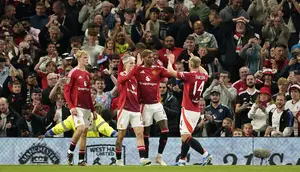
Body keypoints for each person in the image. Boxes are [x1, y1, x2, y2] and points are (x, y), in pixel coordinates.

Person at [166, 51, 212, 166]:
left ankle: (205, 154)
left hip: (188, 109)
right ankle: (182, 160)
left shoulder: (189, 75)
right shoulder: (203, 76)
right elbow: (204, 71)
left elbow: (170, 72)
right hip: (196, 110)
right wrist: (194, 60)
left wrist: (170, 61)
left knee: (185, 136)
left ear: (190, 65)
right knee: (186, 136)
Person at [115, 54, 151, 166]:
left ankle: (142, 159)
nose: (133, 65)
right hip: (124, 109)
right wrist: (138, 66)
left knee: (140, 134)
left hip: (135, 109)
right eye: (131, 63)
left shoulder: (135, 79)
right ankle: (118, 159)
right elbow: (126, 78)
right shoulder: (121, 74)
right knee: (121, 135)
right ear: (125, 64)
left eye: (134, 63)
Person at [64, 50, 97, 166]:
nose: (87, 60)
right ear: (79, 59)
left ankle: (81, 160)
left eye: (87, 58)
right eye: (84, 58)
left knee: (84, 133)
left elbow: (88, 93)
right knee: (81, 128)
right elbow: (66, 91)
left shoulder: (88, 74)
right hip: (77, 106)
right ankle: (70, 151)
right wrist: (71, 106)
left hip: (87, 107)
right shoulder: (73, 72)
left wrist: (93, 110)